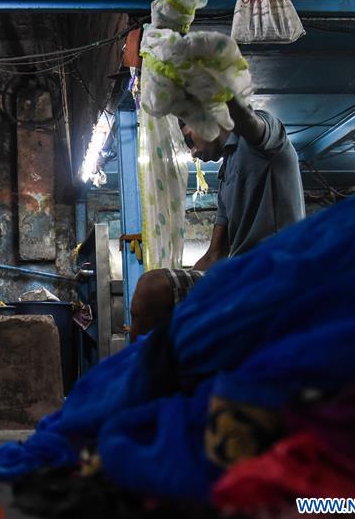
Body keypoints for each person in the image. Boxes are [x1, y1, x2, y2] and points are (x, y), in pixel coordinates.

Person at [129, 98, 305, 339]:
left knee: (152, 288)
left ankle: (135, 371)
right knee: (153, 292)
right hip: (242, 276)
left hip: (278, 272)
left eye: (190, 140)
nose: (192, 152)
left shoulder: (262, 142)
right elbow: (215, 254)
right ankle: (145, 364)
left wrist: (212, 86)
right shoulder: (225, 176)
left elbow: (247, 121)